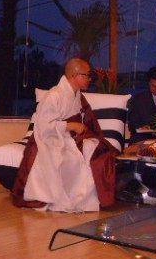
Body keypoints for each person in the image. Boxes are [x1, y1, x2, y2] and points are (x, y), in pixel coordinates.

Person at [11, 58, 117, 212]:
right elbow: (44, 126)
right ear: (74, 75)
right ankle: (68, 198)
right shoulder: (54, 95)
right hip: (50, 138)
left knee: (98, 150)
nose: (89, 79)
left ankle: (98, 197)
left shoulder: (77, 94)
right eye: (86, 75)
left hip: (70, 137)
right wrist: (71, 125)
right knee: (70, 158)